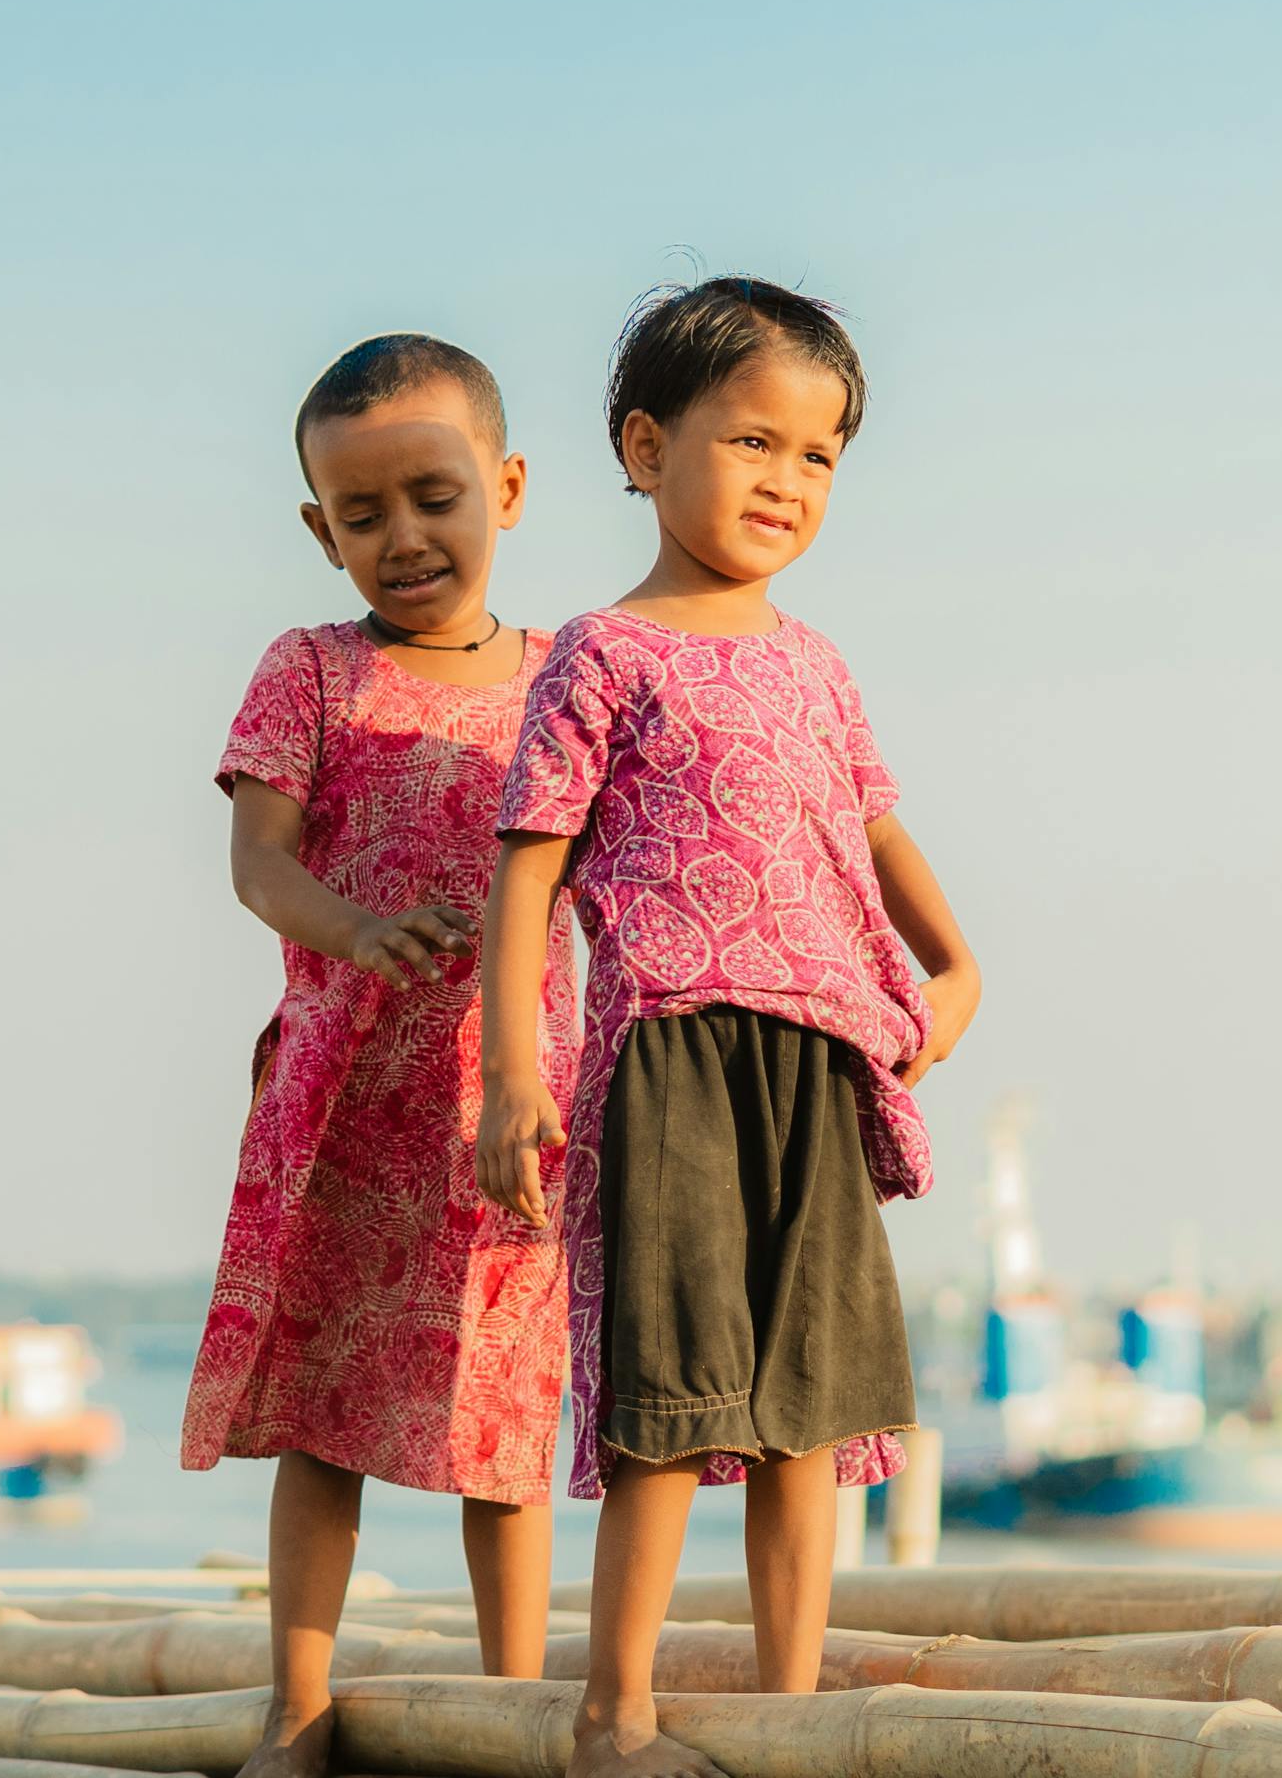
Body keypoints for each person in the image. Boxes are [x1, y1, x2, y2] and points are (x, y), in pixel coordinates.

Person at [477, 278, 980, 1778]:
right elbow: (529, 872)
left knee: (807, 1408)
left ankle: (793, 1709)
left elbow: (881, 843)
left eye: (818, 456)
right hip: (673, 1056)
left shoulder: (818, 665)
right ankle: (612, 1715)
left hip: (820, 1056)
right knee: (673, 1399)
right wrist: (516, 1073)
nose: (786, 479)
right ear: (642, 446)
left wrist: (953, 979)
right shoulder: (602, 655)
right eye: (752, 440)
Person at [182, 334, 579, 1778]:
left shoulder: (566, 676)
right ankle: (296, 1707)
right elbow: (257, 864)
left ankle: (523, 1702)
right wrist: (352, 933)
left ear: (510, 488)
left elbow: (620, 878)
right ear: (320, 531)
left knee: (507, 1410)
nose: (404, 537)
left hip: (515, 1096)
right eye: (364, 516)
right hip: (345, 1094)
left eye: (434, 495)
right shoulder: (311, 671)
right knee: (324, 1417)